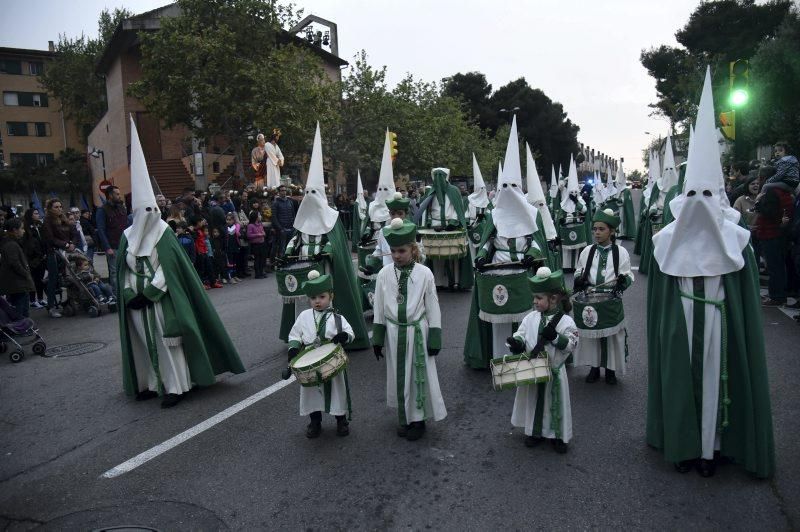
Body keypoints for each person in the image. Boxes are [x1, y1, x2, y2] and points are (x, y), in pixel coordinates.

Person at [647, 68, 774, 478]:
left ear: (718, 196)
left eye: (708, 194)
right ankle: (684, 444)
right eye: (693, 194)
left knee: (720, 383)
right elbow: (659, 301)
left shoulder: (737, 242)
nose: (700, 203)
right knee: (683, 381)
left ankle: (713, 448)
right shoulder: (666, 242)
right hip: (680, 327)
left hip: (721, 324)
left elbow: (745, 306)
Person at [118, 117, 245, 409]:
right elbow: (123, 270)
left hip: (161, 299)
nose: (150, 213)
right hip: (134, 302)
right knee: (142, 341)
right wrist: (128, 293)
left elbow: (170, 268)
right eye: (144, 209)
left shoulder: (164, 231)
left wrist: (149, 292)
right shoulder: (126, 235)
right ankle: (151, 383)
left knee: (167, 341)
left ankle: (177, 385)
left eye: (154, 208)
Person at [278, 124, 370, 349]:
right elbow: (295, 239)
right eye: (306, 193)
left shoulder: (333, 217)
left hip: (325, 267)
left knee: (326, 298)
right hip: (301, 265)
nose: (309, 197)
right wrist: (287, 253)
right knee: (305, 300)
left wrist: (326, 252)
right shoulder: (301, 221)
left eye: (313, 193)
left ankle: (334, 331)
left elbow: (334, 244)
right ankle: (304, 335)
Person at [464, 118, 543, 369]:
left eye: (512, 186)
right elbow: (489, 242)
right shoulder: (493, 215)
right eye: (504, 186)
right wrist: (483, 256)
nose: (508, 190)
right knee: (498, 320)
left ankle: (524, 357)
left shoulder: (532, 214)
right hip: (496, 272)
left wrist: (531, 254)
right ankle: (500, 360)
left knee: (524, 318)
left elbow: (535, 242)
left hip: (522, 273)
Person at [372, 218, 446, 440]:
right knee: (398, 374)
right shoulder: (385, 274)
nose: (396, 255)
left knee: (418, 374)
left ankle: (419, 419)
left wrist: (435, 336)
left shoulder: (425, 273)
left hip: (417, 332)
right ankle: (404, 417)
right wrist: (377, 337)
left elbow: (432, 305)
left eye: (402, 251)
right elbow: (379, 305)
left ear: (413, 250)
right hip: (394, 333)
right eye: (393, 251)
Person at [506, 267, 578, 452]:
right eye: (534, 298)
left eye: (539, 298)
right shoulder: (530, 318)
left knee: (556, 402)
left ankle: (558, 436)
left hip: (555, 371)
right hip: (534, 369)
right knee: (534, 401)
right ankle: (534, 432)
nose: (534, 301)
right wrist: (517, 343)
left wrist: (555, 337)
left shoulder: (566, 322)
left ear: (553, 299)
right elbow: (521, 333)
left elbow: (571, 344)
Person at [283, 270, 354, 438]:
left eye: (322, 297)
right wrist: (293, 349)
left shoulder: (337, 317)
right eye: (313, 298)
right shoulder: (304, 316)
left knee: (337, 391)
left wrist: (344, 336)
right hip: (310, 361)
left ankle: (341, 420)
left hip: (332, 362)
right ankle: (315, 421)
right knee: (311, 394)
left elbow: (349, 332)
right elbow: (294, 335)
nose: (317, 301)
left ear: (331, 296)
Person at [572, 209, 633, 384]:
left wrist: (623, 281)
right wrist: (580, 280)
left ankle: (611, 369)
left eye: (601, 229)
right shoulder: (587, 251)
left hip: (610, 298)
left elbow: (628, 274)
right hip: (590, 297)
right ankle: (594, 367)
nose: (597, 233)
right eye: (595, 229)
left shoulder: (621, 252)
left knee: (612, 336)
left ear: (612, 231)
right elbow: (579, 270)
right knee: (592, 335)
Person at [415, 167, 473, 290]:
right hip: (435, 227)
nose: (439, 180)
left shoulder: (454, 191)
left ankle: (455, 281)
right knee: (436, 257)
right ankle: (439, 282)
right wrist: (429, 223)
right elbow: (427, 211)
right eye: (436, 177)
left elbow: (459, 209)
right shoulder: (431, 192)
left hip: (452, 227)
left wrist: (452, 223)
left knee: (454, 256)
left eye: (441, 176)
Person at [42, 198, 78, 318]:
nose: (59, 209)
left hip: (67, 252)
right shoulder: (47, 221)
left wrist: (72, 243)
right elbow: (50, 238)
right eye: (56, 207)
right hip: (54, 253)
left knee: (70, 277)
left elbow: (74, 233)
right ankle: (51, 307)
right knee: (53, 279)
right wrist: (66, 244)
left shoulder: (64, 219)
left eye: (60, 206)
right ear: (50, 209)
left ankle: (71, 301)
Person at [96, 185, 129, 297]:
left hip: (125, 245)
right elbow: (101, 230)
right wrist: (107, 247)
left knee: (127, 270)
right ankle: (116, 296)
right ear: (110, 195)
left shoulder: (122, 208)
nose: (119, 196)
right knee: (114, 273)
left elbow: (127, 225)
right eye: (117, 194)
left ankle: (126, 292)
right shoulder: (102, 210)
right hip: (113, 246)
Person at [557, 157, 589, 271]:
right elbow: (560, 215)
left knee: (577, 250)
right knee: (566, 250)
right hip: (566, 230)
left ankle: (577, 266)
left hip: (578, 229)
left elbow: (584, 210)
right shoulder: (563, 204)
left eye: (576, 192)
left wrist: (576, 201)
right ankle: (567, 266)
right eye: (572, 192)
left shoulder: (579, 200)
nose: (574, 193)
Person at [0, 218, 35, 318]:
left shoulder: (12, 242)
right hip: (17, 284)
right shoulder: (10, 244)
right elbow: (14, 263)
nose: (23, 231)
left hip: (18, 283)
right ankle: (21, 328)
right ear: (15, 230)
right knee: (20, 308)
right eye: (22, 228)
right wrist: (26, 274)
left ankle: (24, 326)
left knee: (22, 306)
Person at [23, 208, 47, 308]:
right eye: (36, 213)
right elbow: (29, 245)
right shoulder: (27, 228)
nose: (38, 215)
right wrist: (38, 254)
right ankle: (32, 301)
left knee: (40, 280)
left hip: (41, 257)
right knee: (33, 280)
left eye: (38, 213)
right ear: (30, 215)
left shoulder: (39, 226)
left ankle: (41, 299)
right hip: (33, 259)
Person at [271, 185, 296, 258]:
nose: (284, 192)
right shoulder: (276, 203)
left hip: (290, 228)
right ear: (279, 192)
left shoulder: (290, 201)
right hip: (282, 230)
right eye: (282, 190)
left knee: (289, 248)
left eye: (285, 190)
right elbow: (274, 217)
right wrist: (280, 228)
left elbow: (293, 214)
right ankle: (280, 264)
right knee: (281, 248)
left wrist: (293, 226)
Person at [247, 210, 267, 278]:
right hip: (255, 244)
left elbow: (263, 232)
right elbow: (249, 235)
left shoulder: (260, 224)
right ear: (255, 217)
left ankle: (261, 272)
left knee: (262, 258)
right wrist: (258, 235)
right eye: (259, 215)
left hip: (262, 243)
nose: (260, 216)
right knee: (257, 259)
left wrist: (263, 234)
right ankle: (257, 273)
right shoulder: (250, 225)